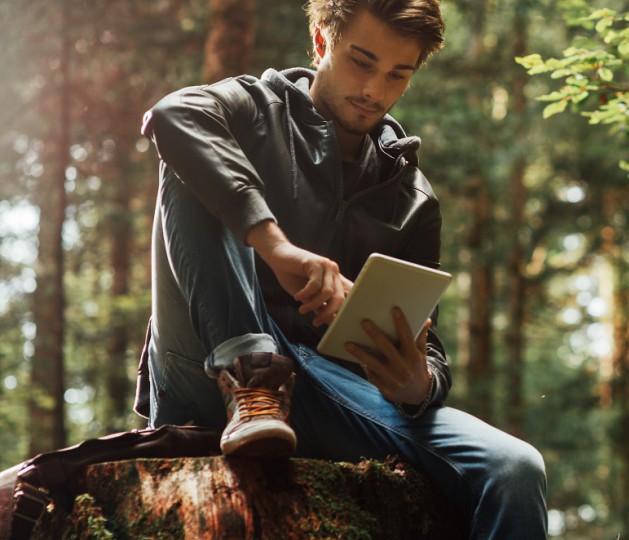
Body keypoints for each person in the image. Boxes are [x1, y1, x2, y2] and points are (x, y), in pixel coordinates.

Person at [133, 0, 548, 537]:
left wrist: (418, 384)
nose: (375, 89)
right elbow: (171, 116)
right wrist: (276, 247)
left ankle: (274, 390)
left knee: (515, 468)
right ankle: (252, 378)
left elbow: (429, 341)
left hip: (323, 390)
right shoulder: (252, 108)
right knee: (191, 157)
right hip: (200, 363)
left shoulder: (412, 199)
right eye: (362, 62)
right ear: (322, 41)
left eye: (398, 74)